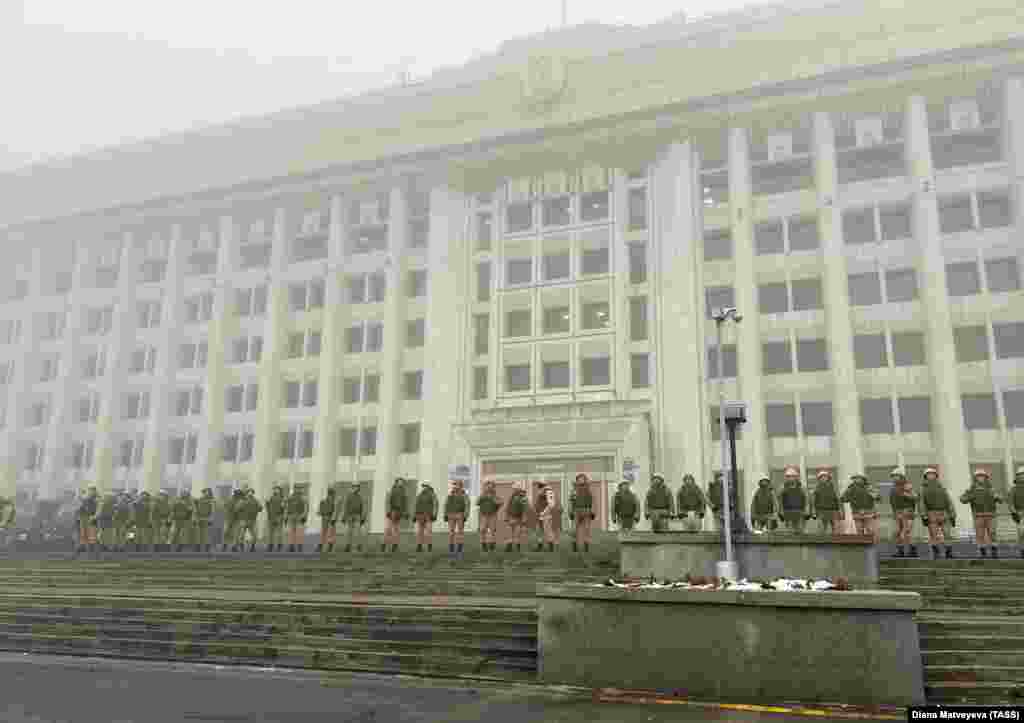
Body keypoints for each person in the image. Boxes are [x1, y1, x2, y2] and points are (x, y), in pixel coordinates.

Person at [960, 468, 1002, 558]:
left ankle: (994, 552)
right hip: (978, 516)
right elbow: (962, 499)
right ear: (975, 478)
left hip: (991, 515)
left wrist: (997, 497)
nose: (980, 478)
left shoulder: (991, 488)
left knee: (992, 533)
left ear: (986, 477)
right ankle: (983, 553)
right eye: (978, 476)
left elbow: (1001, 499)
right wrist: (970, 496)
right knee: (980, 535)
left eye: (982, 476)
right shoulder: (972, 489)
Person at [921, 467, 956, 559]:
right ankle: (936, 553)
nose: (931, 476)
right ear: (925, 476)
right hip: (931, 513)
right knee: (933, 534)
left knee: (947, 534)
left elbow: (949, 501)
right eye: (929, 474)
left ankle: (949, 552)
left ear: (936, 476)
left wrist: (952, 514)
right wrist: (924, 515)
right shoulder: (923, 489)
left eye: (932, 474)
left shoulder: (942, 487)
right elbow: (921, 503)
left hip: (944, 513)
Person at [840, 474, 880, 543]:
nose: (856, 480)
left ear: (863, 479)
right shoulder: (851, 488)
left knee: (870, 529)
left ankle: (872, 543)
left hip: (868, 512)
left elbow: (878, 498)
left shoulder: (869, 487)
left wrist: (875, 496)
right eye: (855, 478)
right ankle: (862, 545)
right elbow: (843, 499)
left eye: (858, 478)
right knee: (859, 530)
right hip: (856, 512)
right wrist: (846, 494)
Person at [889, 468, 919, 557]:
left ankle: (912, 550)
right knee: (897, 532)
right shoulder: (893, 487)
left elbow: (915, 497)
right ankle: (900, 551)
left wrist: (906, 494)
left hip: (907, 511)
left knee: (907, 532)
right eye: (893, 476)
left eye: (896, 476)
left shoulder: (907, 485)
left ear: (901, 476)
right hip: (897, 512)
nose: (894, 478)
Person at [810, 469, 843, 535]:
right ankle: (821, 543)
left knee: (836, 529)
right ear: (819, 479)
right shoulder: (816, 488)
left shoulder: (833, 487)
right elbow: (813, 500)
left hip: (833, 510)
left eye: (825, 476)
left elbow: (837, 499)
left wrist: (840, 510)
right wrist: (813, 511)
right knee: (821, 530)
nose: (824, 478)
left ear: (828, 478)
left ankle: (836, 543)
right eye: (822, 477)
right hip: (821, 511)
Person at [569, 474, 595, 553]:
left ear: (585, 480)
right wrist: (570, 511)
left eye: (583, 479)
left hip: (586, 511)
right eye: (579, 479)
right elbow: (571, 501)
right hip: (576, 511)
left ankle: (586, 545)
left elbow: (593, 501)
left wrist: (592, 511)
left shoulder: (589, 489)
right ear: (577, 480)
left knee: (587, 529)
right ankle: (574, 545)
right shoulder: (574, 490)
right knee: (574, 530)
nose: (581, 480)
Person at [779, 466, 809, 534]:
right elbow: (780, 500)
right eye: (789, 476)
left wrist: (807, 509)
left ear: (796, 477)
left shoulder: (802, 487)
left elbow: (806, 499)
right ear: (786, 477)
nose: (791, 478)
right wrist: (780, 511)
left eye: (793, 476)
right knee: (790, 532)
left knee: (800, 531)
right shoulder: (783, 488)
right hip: (788, 512)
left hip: (800, 512)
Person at [444, 479, 469, 554]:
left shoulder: (464, 495)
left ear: (461, 486)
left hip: (460, 514)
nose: (455, 486)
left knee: (460, 532)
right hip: (451, 515)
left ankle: (459, 548)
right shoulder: (450, 494)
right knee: (451, 532)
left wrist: (465, 515)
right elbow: (446, 505)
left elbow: (467, 505)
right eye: (454, 484)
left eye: (456, 484)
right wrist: (445, 514)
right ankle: (451, 547)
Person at [477, 480, 502, 552]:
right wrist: (483, 496)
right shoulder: (483, 495)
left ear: (493, 488)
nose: (489, 488)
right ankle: (483, 545)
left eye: (491, 487)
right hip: (484, 515)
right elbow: (477, 502)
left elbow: (500, 502)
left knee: (492, 531)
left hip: (492, 515)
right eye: (487, 486)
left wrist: (492, 498)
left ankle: (492, 545)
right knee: (482, 530)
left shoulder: (495, 495)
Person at [384, 477, 408, 553]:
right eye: (400, 482)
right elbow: (388, 501)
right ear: (396, 482)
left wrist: (406, 512)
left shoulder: (404, 492)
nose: (401, 483)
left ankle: (395, 545)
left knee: (396, 529)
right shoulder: (392, 490)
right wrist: (388, 511)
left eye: (402, 482)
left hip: (399, 512)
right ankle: (384, 544)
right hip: (392, 511)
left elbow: (405, 503)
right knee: (388, 529)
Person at [341, 482, 366, 552]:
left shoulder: (360, 497)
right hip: (350, 515)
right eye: (355, 487)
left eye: (357, 487)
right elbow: (346, 507)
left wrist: (362, 517)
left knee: (358, 532)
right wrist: (344, 517)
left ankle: (358, 546)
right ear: (352, 488)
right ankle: (348, 546)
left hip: (357, 515)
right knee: (349, 531)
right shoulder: (349, 496)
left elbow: (362, 508)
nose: (356, 488)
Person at [414, 482, 438, 552]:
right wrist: (415, 515)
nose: (424, 487)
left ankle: (429, 546)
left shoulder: (432, 494)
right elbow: (416, 505)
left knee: (428, 532)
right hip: (420, 515)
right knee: (420, 532)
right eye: (423, 486)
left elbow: (435, 504)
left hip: (428, 515)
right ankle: (419, 546)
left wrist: (434, 514)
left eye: (425, 486)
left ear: (428, 487)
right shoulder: (420, 495)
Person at [504, 484, 528, 552]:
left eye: (515, 489)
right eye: (513, 489)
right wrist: (506, 516)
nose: (514, 490)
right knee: (509, 532)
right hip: (511, 516)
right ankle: (509, 546)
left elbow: (525, 509)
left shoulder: (523, 497)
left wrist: (524, 518)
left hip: (518, 518)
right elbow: (508, 507)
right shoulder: (511, 497)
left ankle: (517, 547)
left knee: (517, 533)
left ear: (518, 489)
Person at [538, 486, 563, 552]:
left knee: (548, 531)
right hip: (549, 516)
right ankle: (551, 546)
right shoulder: (551, 495)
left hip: (548, 516)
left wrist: (543, 513)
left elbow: (550, 505)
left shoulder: (548, 494)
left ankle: (551, 547)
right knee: (549, 531)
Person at [76, 486, 99, 555]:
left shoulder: (93, 499)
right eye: (91, 491)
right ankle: (84, 546)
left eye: (92, 491)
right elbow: (81, 509)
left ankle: (88, 547)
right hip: (85, 518)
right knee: (85, 533)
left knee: (91, 533)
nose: (91, 492)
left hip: (89, 518)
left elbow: (93, 509)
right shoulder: (87, 499)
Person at [285, 485, 309, 553]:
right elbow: (287, 507)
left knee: (300, 533)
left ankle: (299, 546)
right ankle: (291, 546)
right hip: (291, 516)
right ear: (294, 489)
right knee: (291, 533)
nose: (297, 490)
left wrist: (304, 516)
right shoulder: (290, 497)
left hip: (300, 516)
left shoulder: (303, 497)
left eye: (299, 488)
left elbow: (306, 508)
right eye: (296, 488)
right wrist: (286, 516)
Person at [1008, 466, 1024, 558]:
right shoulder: (1013, 489)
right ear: (1017, 476)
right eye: (1021, 475)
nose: (1023, 476)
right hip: (1020, 513)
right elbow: (1010, 502)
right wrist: (1014, 512)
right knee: (1022, 533)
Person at [265, 485, 286, 552]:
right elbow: (267, 507)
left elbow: (283, 508)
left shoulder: (282, 498)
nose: (275, 490)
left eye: (276, 489)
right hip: (271, 516)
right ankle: (270, 545)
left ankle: (279, 545)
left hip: (278, 516)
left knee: (279, 532)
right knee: (270, 533)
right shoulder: (270, 497)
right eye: (274, 489)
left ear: (279, 491)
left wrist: (283, 516)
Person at [194, 488, 215, 553]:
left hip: (207, 518)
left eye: (206, 492)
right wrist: (195, 518)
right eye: (204, 492)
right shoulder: (198, 500)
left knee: (206, 534)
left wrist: (211, 518)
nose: (205, 493)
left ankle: (207, 548)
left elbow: (212, 510)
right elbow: (196, 510)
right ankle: (198, 548)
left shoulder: (211, 500)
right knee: (198, 534)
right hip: (199, 518)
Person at [317, 488, 337, 553]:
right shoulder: (324, 501)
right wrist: (320, 512)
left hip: (330, 517)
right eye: (330, 494)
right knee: (324, 532)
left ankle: (329, 545)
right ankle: (321, 545)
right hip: (325, 517)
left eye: (332, 494)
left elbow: (335, 510)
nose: (331, 496)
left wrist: (334, 518)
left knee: (330, 532)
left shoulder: (334, 502)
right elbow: (320, 511)